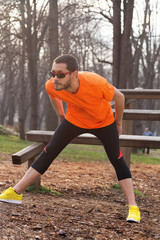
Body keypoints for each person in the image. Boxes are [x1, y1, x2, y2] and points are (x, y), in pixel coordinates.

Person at [0, 54, 140, 223]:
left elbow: (120, 97)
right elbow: (54, 96)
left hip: (103, 122)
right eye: (53, 73)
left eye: (60, 74)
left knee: (116, 158)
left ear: (74, 74)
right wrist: (61, 116)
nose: (55, 78)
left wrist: (118, 123)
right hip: (75, 120)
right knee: (49, 151)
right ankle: (15, 192)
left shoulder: (96, 82)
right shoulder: (52, 85)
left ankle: (133, 207)